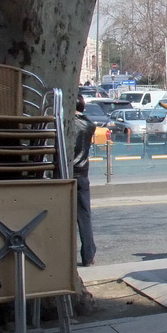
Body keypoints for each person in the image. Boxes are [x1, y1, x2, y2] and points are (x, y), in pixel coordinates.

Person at [72, 94, 97, 266]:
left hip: (67, 172)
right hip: (82, 173)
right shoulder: (89, 124)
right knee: (84, 216)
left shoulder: (67, 123)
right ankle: (88, 255)